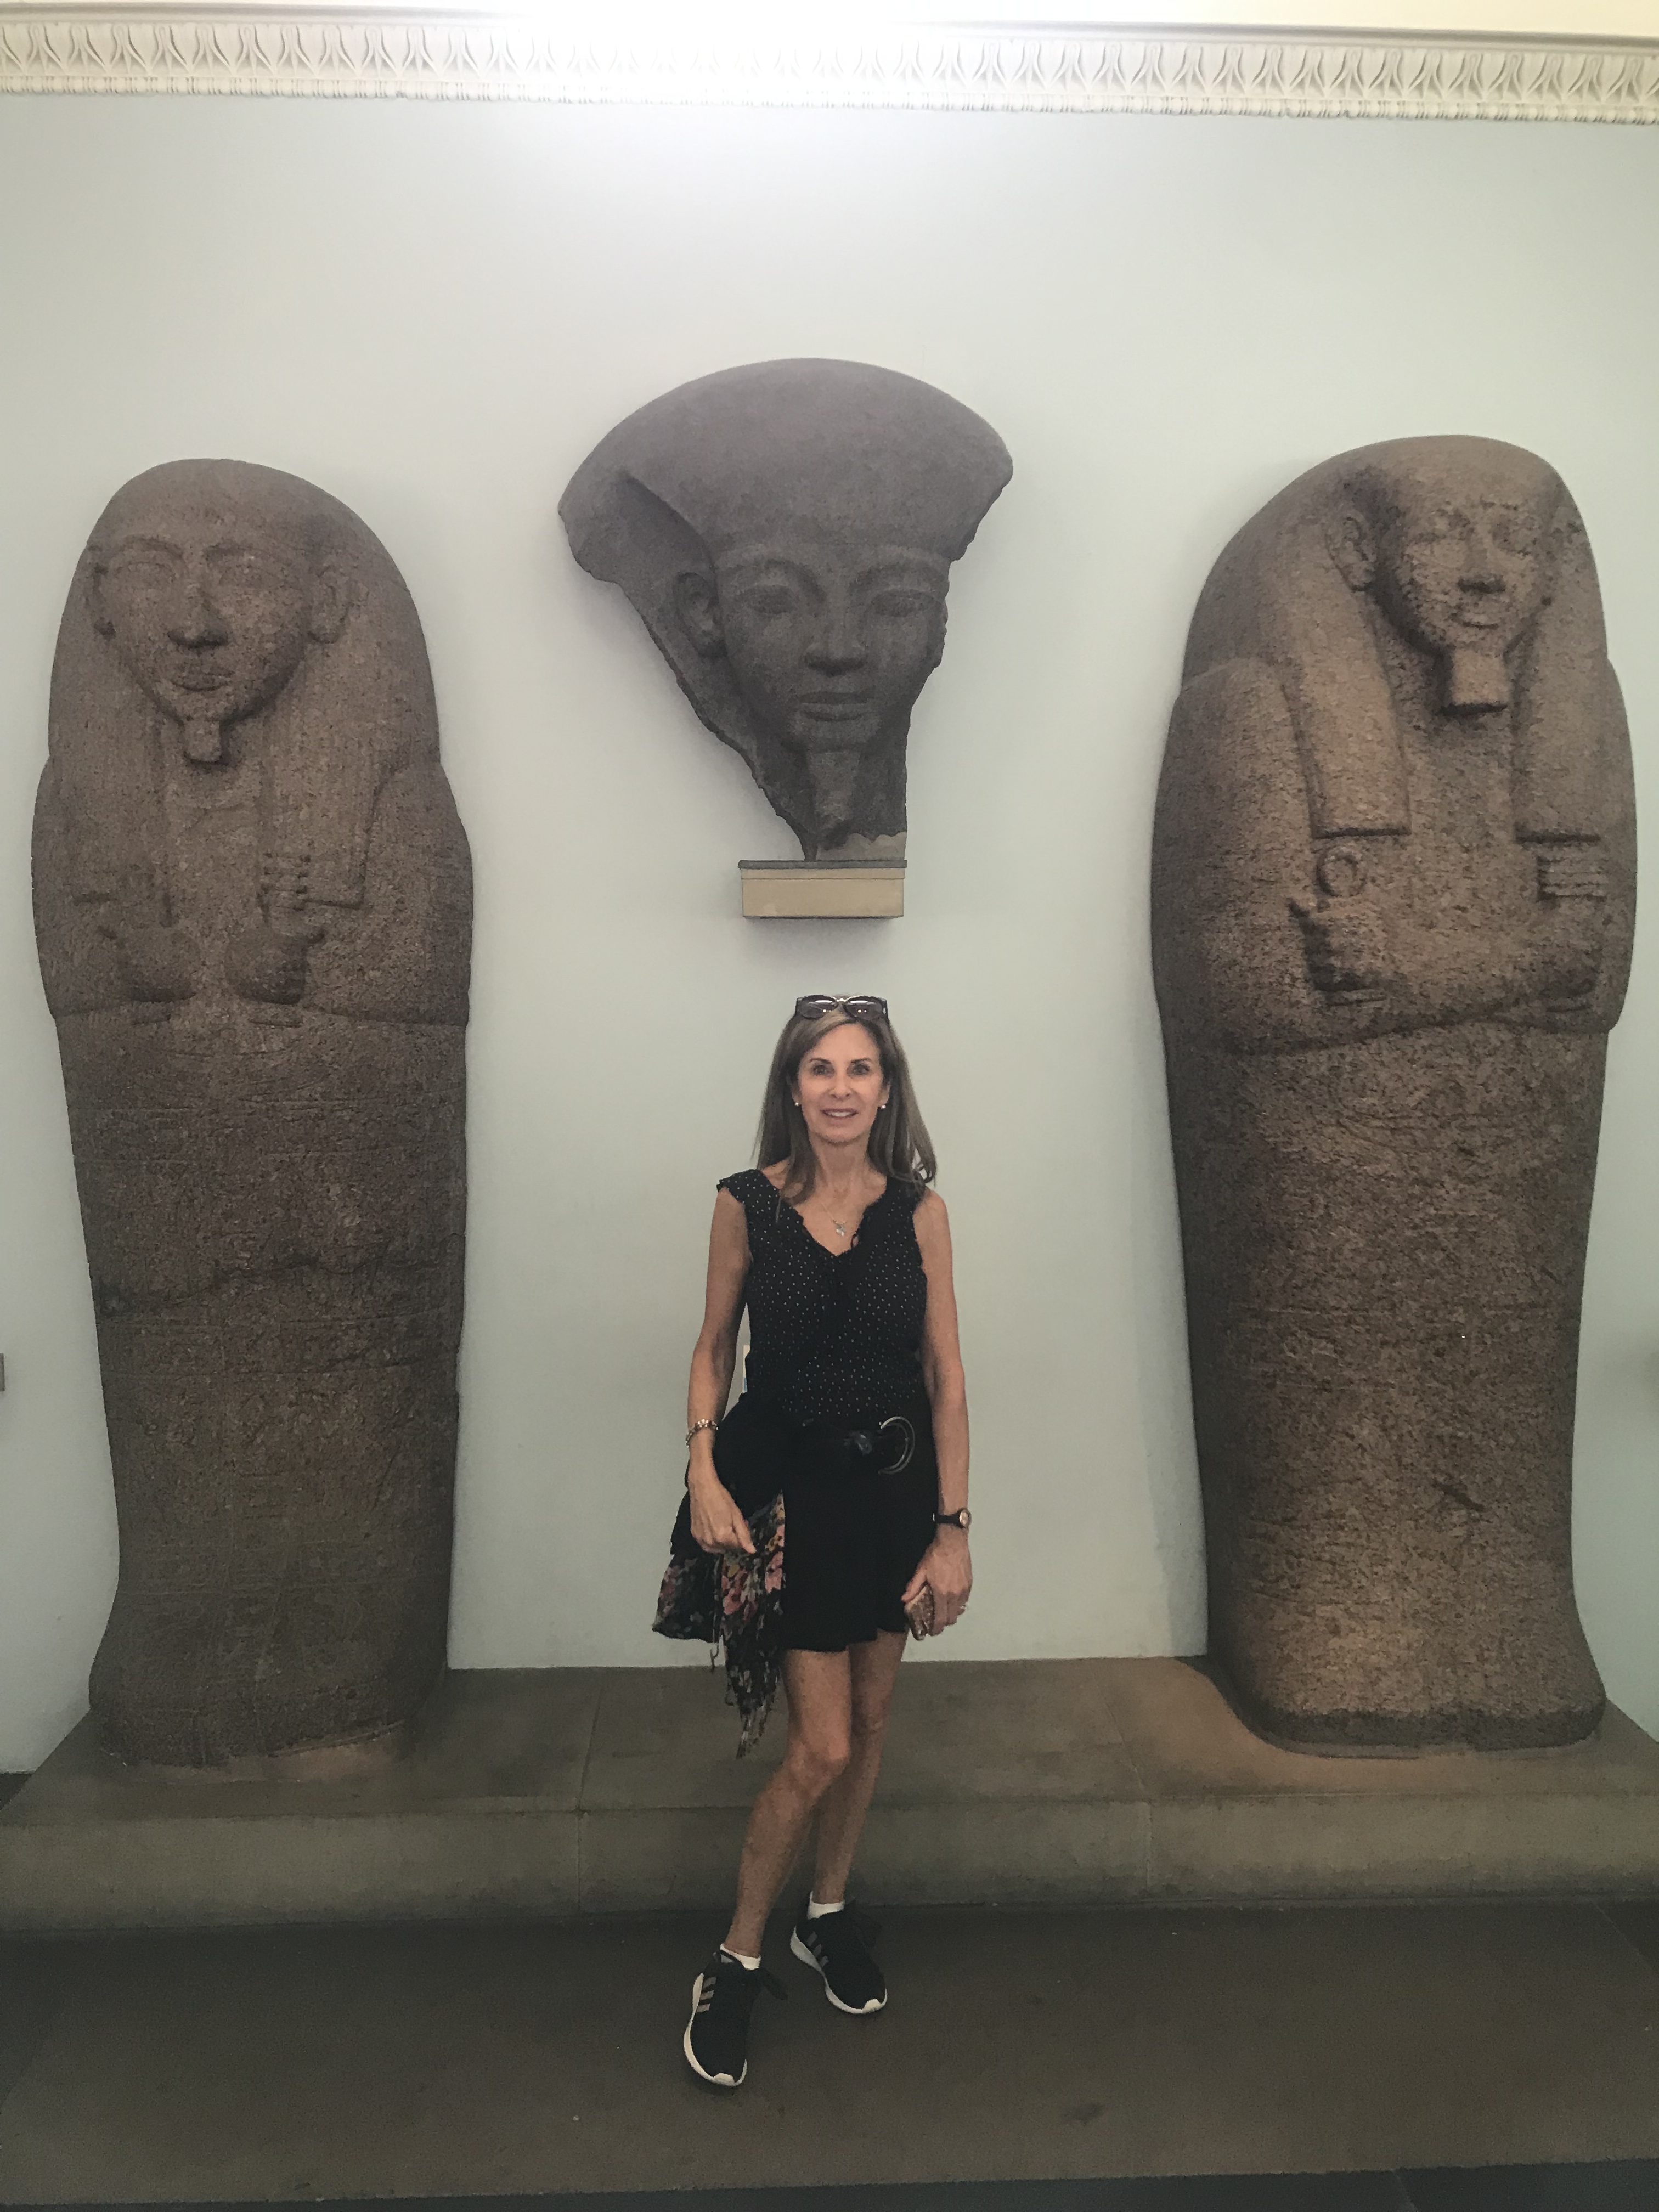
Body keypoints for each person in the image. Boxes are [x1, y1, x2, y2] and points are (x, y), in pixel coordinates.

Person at [679, 994, 971, 2089]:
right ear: (793, 1089)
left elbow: (945, 1377)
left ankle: (828, 1911)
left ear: (886, 1092)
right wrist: (702, 1469)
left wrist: (953, 1528)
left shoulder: (921, 1213)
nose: (841, 1087)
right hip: (791, 1498)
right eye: (821, 1069)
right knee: (823, 1747)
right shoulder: (745, 1203)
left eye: (860, 1069)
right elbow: (714, 1349)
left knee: (874, 1718)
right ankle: (735, 1958)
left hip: (895, 1495)